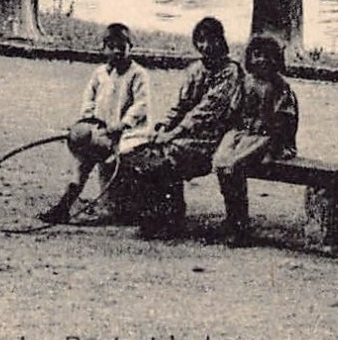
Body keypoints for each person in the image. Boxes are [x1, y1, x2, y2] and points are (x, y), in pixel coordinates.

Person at [111, 16, 243, 230]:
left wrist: (173, 134)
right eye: (200, 40)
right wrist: (163, 126)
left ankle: (170, 215)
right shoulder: (195, 70)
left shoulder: (230, 72)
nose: (205, 46)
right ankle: (157, 212)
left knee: (168, 154)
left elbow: (207, 112)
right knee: (143, 150)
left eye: (210, 40)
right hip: (186, 132)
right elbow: (181, 105)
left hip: (214, 135)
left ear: (221, 41)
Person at [38, 23, 152, 224]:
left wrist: (122, 125)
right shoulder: (100, 73)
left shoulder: (138, 74)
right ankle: (64, 206)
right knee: (82, 163)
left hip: (129, 134)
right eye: (112, 46)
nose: (117, 51)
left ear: (130, 47)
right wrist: (87, 121)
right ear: (104, 48)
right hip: (101, 129)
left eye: (122, 46)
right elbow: (88, 98)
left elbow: (141, 105)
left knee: (114, 165)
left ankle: (119, 207)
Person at [212, 35, 299, 247]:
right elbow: (233, 110)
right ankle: (232, 215)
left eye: (268, 57)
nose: (262, 61)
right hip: (243, 134)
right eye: (257, 55)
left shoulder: (280, 87)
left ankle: (240, 225)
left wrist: (274, 147)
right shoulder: (246, 82)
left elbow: (284, 121)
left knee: (236, 164)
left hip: (268, 138)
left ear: (277, 60)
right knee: (221, 161)